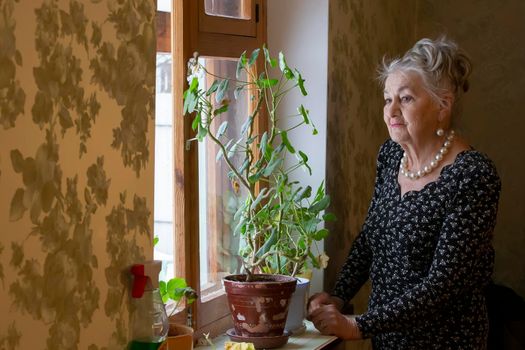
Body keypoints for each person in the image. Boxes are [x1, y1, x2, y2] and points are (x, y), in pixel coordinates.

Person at [307, 37, 501, 349]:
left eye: (406, 99)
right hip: (388, 340)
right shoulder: (390, 156)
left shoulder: (473, 175)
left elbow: (444, 284)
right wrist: (338, 296)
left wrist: (358, 326)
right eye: (387, 99)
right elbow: (371, 238)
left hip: (446, 342)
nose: (391, 111)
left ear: (443, 105)